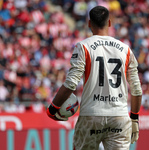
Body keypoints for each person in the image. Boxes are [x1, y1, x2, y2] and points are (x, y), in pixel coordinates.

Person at [46, 6, 142, 150]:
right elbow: (136, 89)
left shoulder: (83, 46)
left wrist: (53, 109)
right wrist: (134, 117)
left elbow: (71, 84)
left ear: (89, 23)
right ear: (109, 23)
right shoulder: (125, 49)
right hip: (119, 116)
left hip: (91, 115)